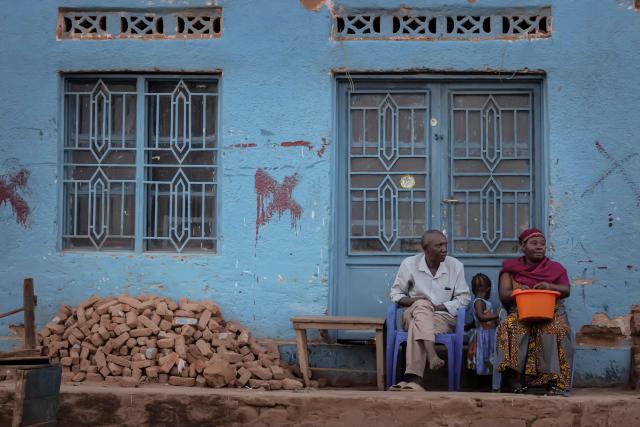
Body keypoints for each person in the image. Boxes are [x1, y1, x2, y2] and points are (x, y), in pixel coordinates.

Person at [389, 229, 471, 391]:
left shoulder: (456, 266)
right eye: (438, 246)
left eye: (445, 245)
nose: (444, 249)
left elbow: (464, 299)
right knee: (421, 306)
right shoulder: (409, 264)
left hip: (443, 317)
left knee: (417, 323)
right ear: (425, 249)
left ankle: (412, 380)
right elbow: (395, 294)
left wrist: (437, 306)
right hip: (412, 313)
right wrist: (419, 302)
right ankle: (431, 355)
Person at [495, 228, 572, 396]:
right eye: (534, 243)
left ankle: (555, 382)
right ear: (523, 247)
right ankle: (514, 380)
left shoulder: (555, 269)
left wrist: (550, 286)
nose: (539, 247)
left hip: (552, 312)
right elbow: (504, 294)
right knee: (512, 326)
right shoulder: (510, 269)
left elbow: (566, 290)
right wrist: (519, 292)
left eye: (543, 244)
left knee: (555, 329)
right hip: (521, 311)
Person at [467, 273, 499, 376]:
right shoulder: (479, 302)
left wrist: (467, 326)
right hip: (483, 336)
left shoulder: (479, 302)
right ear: (488, 289)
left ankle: (481, 379)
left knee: (483, 358)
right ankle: (480, 381)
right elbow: (480, 317)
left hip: (484, 334)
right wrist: (497, 315)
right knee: (482, 357)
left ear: (472, 289)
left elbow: (475, 320)